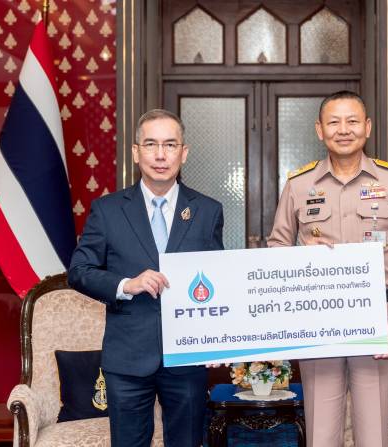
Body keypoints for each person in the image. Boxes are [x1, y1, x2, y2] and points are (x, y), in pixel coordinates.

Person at [267, 91, 388, 447]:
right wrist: (299, 254)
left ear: (367, 127)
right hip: (317, 317)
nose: (343, 130)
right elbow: (276, 248)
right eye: (334, 122)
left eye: (352, 121)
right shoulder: (299, 185)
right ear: (319, 130)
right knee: (321, 432)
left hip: (379, 315)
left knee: (373, 433)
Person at [69, 109, 224, 447]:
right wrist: (126, 285)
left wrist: (217, 338)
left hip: (187, 357)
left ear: (184, 152)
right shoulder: (107, 210)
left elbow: (217, 280)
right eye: (151, 144)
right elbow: (79, 271)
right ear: (136, 152)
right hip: (128, 357)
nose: (160, 155)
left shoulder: (208, 210)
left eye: (170, 145)